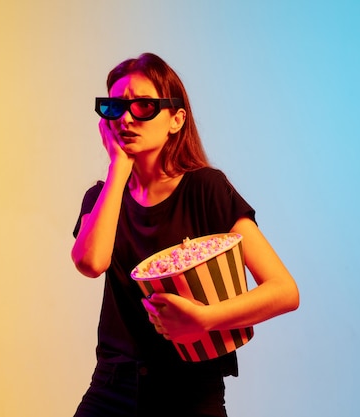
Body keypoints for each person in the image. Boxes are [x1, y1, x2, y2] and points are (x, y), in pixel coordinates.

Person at [71, 52, 299, 417]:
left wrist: (205, 319)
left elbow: (284, 291)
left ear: (176, 119)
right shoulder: (100, 199)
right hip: (113, 388)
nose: (127, 117)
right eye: (115, 106)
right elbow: (91, 262)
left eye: (144, 105)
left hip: (190, 394)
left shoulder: (206, 189)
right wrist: (118, 167)